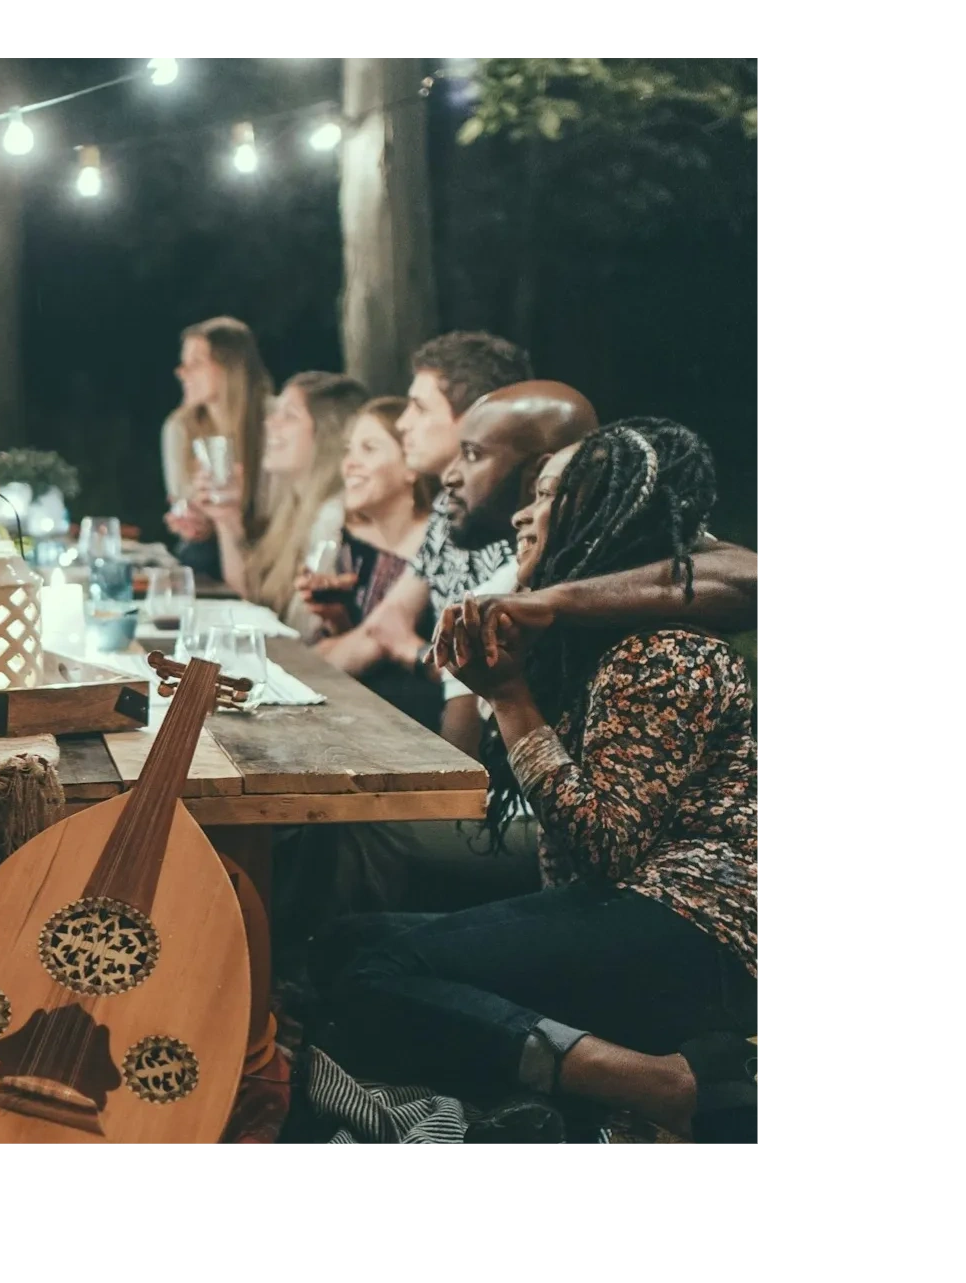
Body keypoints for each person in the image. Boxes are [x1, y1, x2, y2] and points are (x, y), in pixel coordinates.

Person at [312, 417, 763, 1146]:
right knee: (343, 945)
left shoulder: (665, 652)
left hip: (695, 931)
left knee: (378, 976)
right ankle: (557, 1091)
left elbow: (604, 847)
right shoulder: (596, 639)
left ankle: (659, 1085)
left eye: (548, 495)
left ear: (601, 516)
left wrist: (510, 698)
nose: (524, 513)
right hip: (629, 906)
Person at [321, 333, 538, 747]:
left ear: (477, 415)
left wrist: (416, 653)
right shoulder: (446, 509)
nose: (404, 423)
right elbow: (383, 628)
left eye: (419, 408)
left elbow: (483, 678)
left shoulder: (518, 521)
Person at [301, 397, 442, 729]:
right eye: (349, 450)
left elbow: (376, 644)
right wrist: (336, 617)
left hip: (415, 723)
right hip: (356, 708)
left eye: (369, 449)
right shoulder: (350, 538)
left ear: (411, 467)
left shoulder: (438, 542)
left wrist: (286, 669)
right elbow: (359, 642)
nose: (349, 464)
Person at [198, 371, 366, 617]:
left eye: (289, 416)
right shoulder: (294, 507)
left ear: (327, 434)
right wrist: (226, 519)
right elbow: (251, 601)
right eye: (275, 412)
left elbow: (303, 628)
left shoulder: (334, 517)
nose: (269, 422)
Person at [159, 317, 273, 581]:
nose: (182, 372)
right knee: (196, 555)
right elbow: (182, 500)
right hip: (211, 550)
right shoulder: (180, 427)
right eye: (183, 362)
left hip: (268, 545)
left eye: (196, 363)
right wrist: (192, 520)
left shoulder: (273, 422)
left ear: (231, 368)